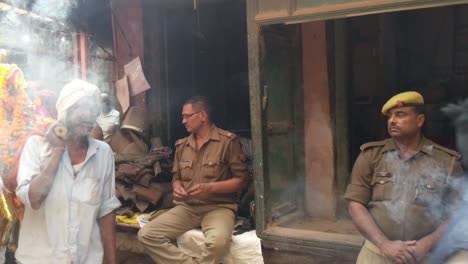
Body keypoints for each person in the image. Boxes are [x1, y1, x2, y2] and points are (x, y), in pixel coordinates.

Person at [344, 91, 464, 264]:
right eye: (390, 116)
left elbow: (457, 215)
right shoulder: (371, 156)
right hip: (378, 252)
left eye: (400, 114)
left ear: (420, 120)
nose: (392, 120)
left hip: (426, 255)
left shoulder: (447, 161)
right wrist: (384, 243)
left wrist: (427, 244)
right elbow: (355, 205)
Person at [15, 79, 121, 264]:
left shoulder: (103, 153)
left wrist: (112, 262)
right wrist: (57, 152)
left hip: (86, 259)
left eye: (93, 109)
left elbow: (106, 210)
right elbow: (34, 199)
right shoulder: (37, 147)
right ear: (64, 112)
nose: (88, 115)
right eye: (81, 107)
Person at [138, 96, 248, 264]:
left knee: (217, 243)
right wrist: (177, 187)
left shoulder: (227, 141)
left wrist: (209, 188)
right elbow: (176, 177)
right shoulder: (182, 146)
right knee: (147, 235)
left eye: (187, 116)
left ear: (203, 116)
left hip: (218, 208)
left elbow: (241, 181)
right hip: (187, 208)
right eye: (183, 116)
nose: (183, 121)